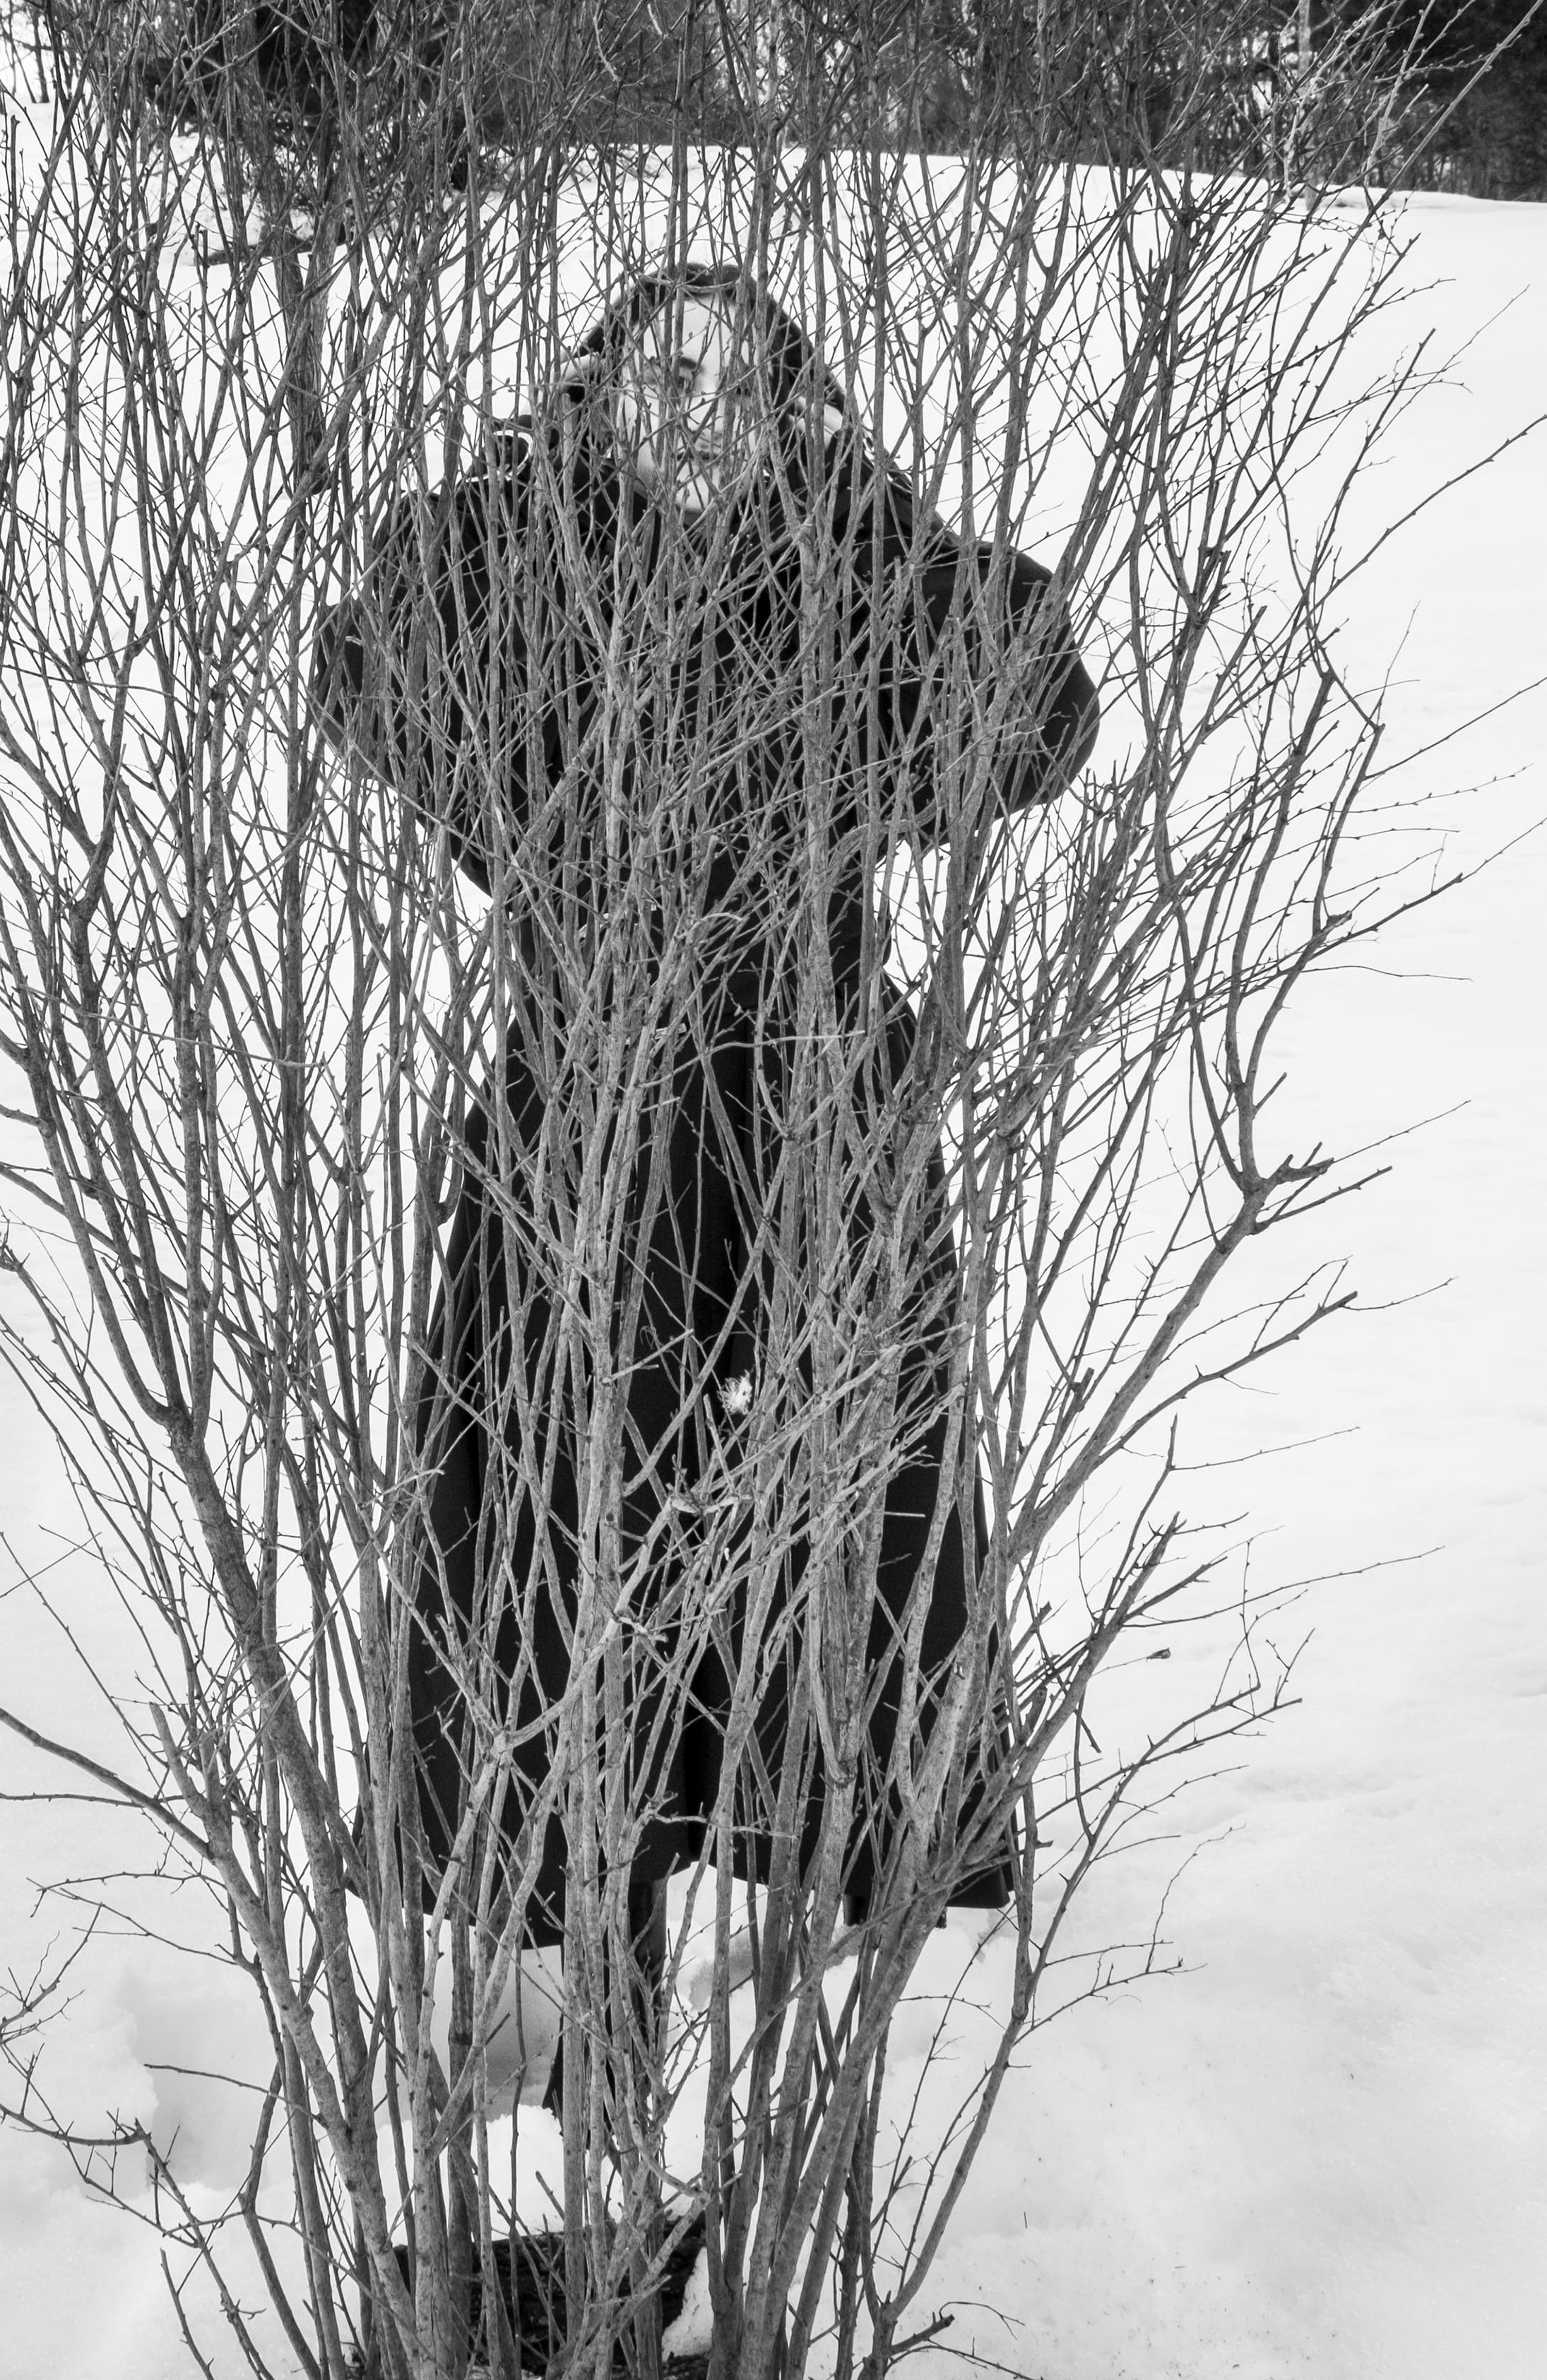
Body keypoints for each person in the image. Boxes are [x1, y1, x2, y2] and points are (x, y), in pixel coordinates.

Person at [316, 260, 1099, 2105]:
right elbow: (379, 682)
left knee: (848, 1504)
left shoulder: (848, 556)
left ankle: (857, 1935)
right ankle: (541, 1952)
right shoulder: (512, 560)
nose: (696, 420)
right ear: (590, 401)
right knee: (546, 1513)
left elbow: (1035, 721)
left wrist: (881, 533)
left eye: (739, 390)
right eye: (651, 382)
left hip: (813, 1103)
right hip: (578, 1109)